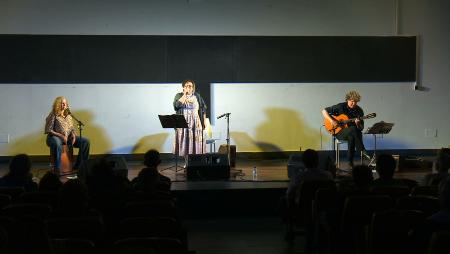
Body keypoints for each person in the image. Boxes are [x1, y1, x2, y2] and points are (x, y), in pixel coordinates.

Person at [322, 90, 371, 168]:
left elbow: (361, 128)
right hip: (339, 132)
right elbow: (324, 111)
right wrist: (332, 121)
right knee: (353, 129)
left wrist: (358, 123)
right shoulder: (341, 106)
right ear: (347, 100)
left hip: (351, 132)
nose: (353, 103)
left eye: (355, 102)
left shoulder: (359, 111)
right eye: (352, 101)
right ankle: (362, 150)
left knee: (353, 134)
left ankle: (350, 162)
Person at [45, 96, 90, 172]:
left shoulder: (68, 115)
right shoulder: (53, 114)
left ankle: (79, 167)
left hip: (67, 137)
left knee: (85, 141)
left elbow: (71, 127)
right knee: (56, 142)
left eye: (65, 103)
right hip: (54, 137)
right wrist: (61, 136)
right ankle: (57, 169)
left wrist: (73, 135)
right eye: (62, 103)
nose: (64, 105)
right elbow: (49, 130)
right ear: (58, 104)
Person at [173, 80, 207, 163]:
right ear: (183, 87)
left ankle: (195, 162)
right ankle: (186, 162)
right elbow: (176, 106)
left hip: (195, 122)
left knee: (196, 142)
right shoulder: (179, 95)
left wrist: (204, 121)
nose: (188, 87)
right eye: (186, 86)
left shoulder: (197, 96)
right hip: (183, 122)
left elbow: (203, 108)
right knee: (185, 142)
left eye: (190, 86)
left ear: (193, 88)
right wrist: (185, 94)